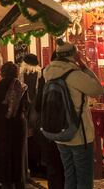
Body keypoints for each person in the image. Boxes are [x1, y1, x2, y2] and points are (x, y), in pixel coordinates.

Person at [43, 40, 104, 189]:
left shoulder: (47, 72)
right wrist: (84, 66)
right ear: (74, 55)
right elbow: (98, 90)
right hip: (79, 134)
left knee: (69, 174)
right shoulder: (75, 74)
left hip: (60, 132)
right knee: (84, 179)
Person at [0, 61, 28, 188]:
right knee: (17, 158)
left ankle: (5, 185)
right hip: (18, 127)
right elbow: (26, 107)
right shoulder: (22, 87)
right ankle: (19, 184)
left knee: (2, 159)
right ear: (16, 73)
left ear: (2, 73)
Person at [35, 53, 65, 189]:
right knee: (66, 166)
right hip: (65, 127)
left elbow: (37, 104)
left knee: (53, 167)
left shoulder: (44, 75)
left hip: (47, 127)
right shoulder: (68, 75)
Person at [20, 53, 43, 177]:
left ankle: (28, 165)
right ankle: (37, 164)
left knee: (27, 136)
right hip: (37, 110)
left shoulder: (22, 74)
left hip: (25, 111)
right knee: (36, 136)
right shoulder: (39, 74)